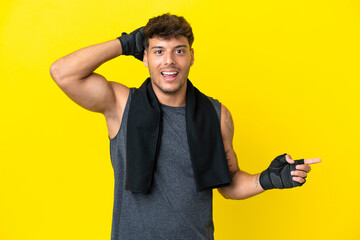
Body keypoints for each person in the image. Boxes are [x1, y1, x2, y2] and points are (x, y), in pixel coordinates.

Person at [50, 13, 321, 240]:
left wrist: (267, 179)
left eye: (178, 51)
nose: (169, 61)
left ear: (191, 56)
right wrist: (123, 44)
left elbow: (229, 183)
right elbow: (62, 73)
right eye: (158, 51)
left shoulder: (217, 115)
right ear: (144, 58)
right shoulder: (122, 105)